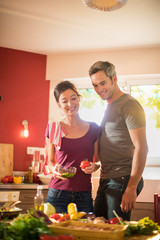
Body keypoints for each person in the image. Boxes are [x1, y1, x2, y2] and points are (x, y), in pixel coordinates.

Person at [88, 60, 148, 221]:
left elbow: (142, 147)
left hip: (123, 178)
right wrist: (96, 165)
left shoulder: (129, 105)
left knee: (115, 232)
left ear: (114, 78)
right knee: (99, 227)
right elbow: (115, 147)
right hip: (106, 177)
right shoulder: (109, 107)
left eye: (103, 83)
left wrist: (131, 187)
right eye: (95, 85)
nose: (99, 89)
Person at [45, 80, 101, 213]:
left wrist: (94, 166)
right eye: (64, 101)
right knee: (54, 232)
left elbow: (99, 161)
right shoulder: (54, 128)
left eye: (73, 98)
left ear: (79, 99)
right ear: (59, 104)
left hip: (84, 195)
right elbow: (50, 162)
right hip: (57, 193)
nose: (70, 104)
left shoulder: (94, 129)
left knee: (84, 233)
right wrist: (54, 170)